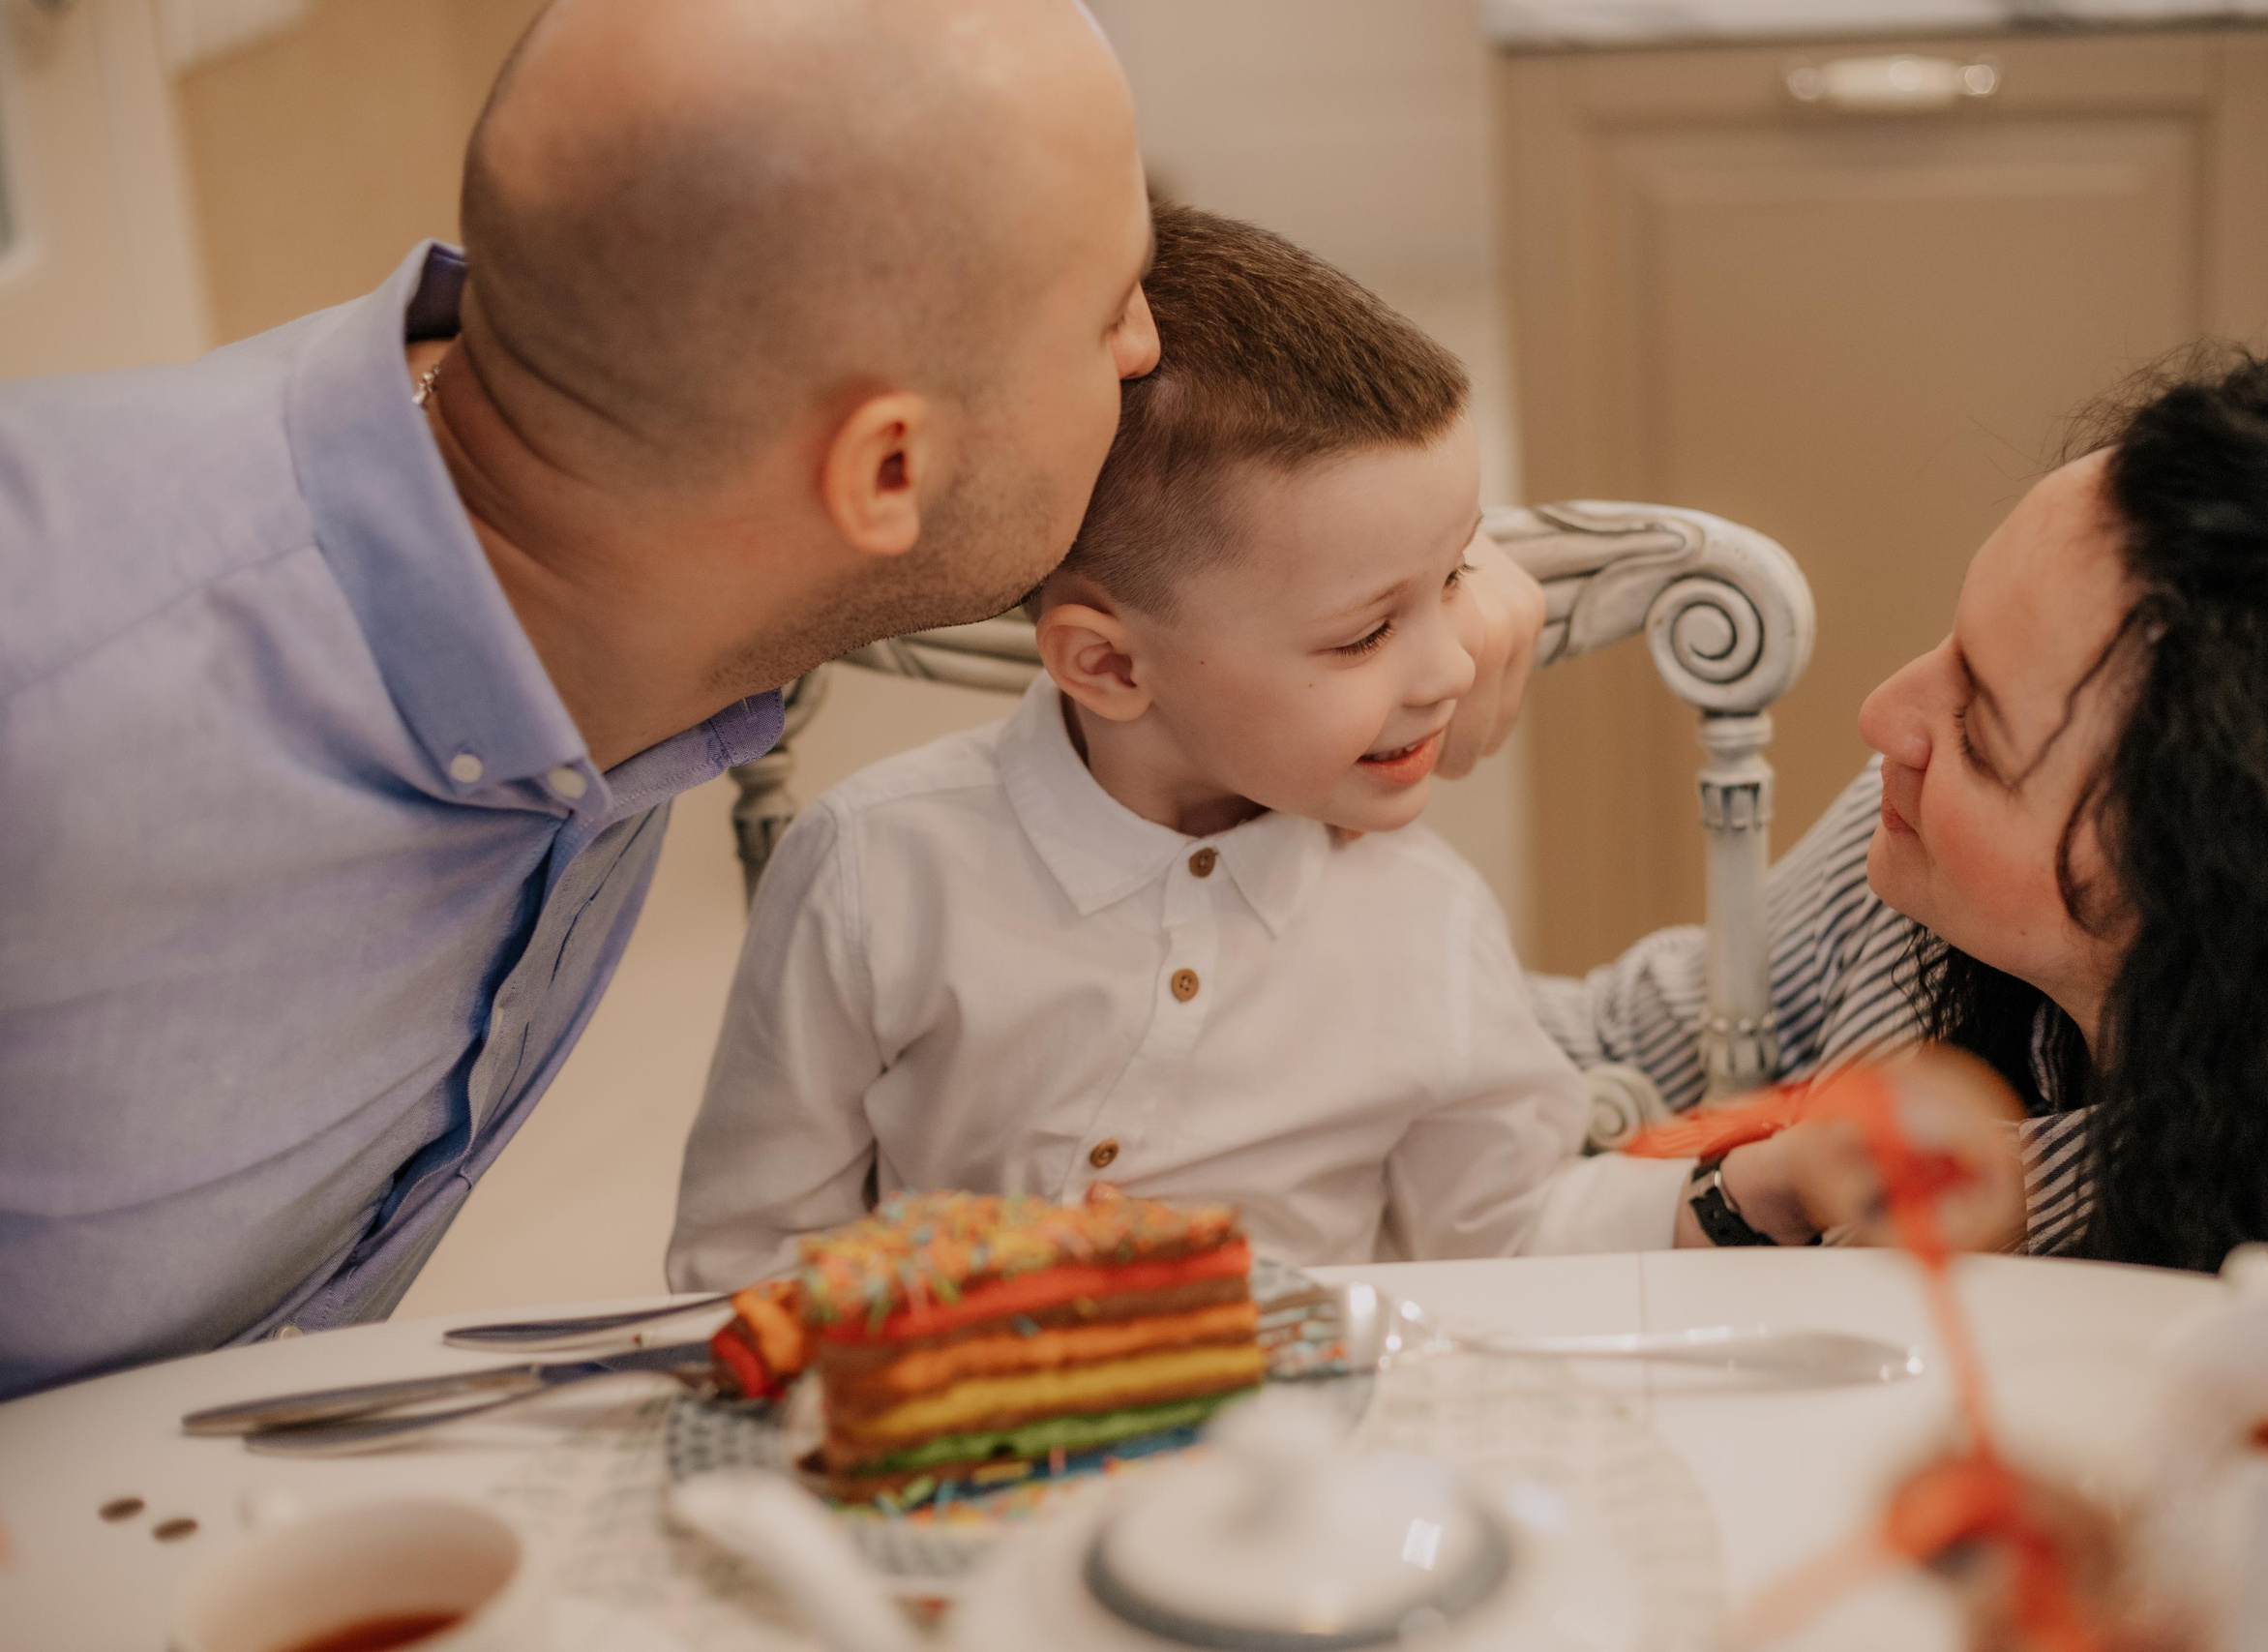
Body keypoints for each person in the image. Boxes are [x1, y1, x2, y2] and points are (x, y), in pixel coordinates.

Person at [0, 0, 1544, 1399]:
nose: (1148, 348)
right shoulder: (59, 693)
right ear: (885, 472)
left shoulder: (632, 534)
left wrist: (1440, 612)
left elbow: (1244, 543)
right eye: (1111, 311)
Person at [669, 205, 1676, 1289]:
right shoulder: (880, 868)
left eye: (1456, 577)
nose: (1449, 671)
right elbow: (747, 1259)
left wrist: (1747, 1191)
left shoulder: (1426, 918)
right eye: (1366, 632)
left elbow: (1510, 1242)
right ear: (1107, 666)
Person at [1542, 351, 2268, 1297]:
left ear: (2220, 894)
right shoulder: (1908, 853)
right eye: (1953, 642)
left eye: (1980, 734)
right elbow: (1596, 1042)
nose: (1883, 716)